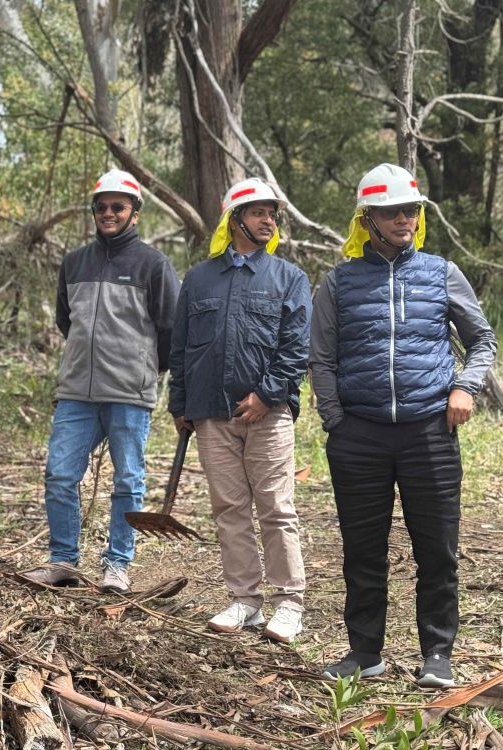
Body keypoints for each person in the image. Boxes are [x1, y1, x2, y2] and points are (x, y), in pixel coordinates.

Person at [311, 163, 496, 686]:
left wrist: (465, 387)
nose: (404, 219)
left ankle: (437, 654)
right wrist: (336, 422)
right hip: (359, 436)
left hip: (429, 434)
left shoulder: (441, 272)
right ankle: (364, 654)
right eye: (392, 211)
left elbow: (482, 341)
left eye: (411, 210)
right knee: (361, 550)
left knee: (436, 547)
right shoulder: (339, 281)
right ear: (367, 218)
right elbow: (320, 359)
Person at [21, 169, 181, 594]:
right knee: (59, 474)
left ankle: (117, 564)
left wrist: (144, 369)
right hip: (76, 392)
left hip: (129, 392)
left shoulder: (153, 264)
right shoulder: (74, 262)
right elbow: (65, 321)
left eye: (118, 206)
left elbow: (171, 329)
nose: (108, 213)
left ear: (134, 212)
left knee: (128, 479)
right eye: (101, 206)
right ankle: (64, 561)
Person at [167, 178, 310, 642]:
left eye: (272, 213)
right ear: (235, 219)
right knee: (229, 508)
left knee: (275, 507)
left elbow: (297, 346)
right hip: (211, 413)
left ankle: (289, 602)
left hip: (268, 415)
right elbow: (182, 347)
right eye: (258, 212)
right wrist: (180, 402)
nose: (268, 220)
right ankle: (245, 600)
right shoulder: (200, 278)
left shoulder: (288, 278)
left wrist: (267, 394)